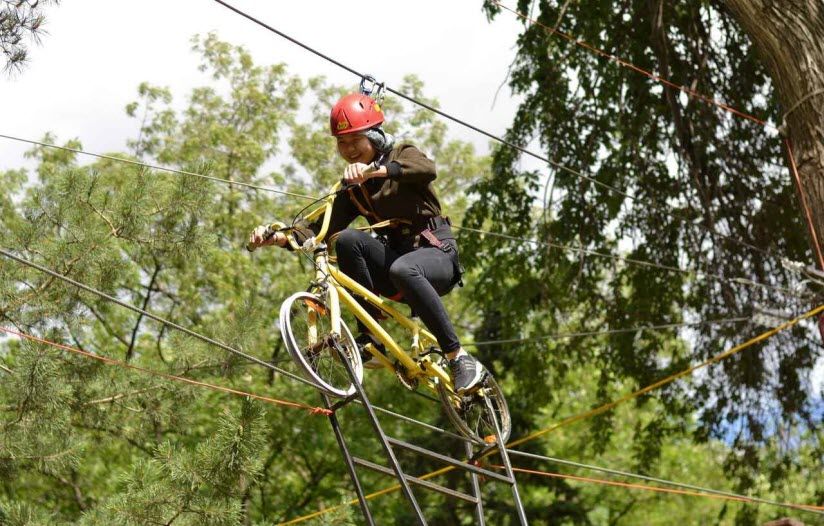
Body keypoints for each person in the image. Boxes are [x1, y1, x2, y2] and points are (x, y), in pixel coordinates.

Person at [248, 92, 485, 393]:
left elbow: (427, 169)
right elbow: (319, 230)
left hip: (436, 255)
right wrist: (277, 237)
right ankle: (370, 339)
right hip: (397, 269)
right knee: (347, 240)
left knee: (404, 269)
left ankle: (458, 356)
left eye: (355, 141)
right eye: (342, 143)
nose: (348, 150)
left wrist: (378, 170)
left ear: (374, 137)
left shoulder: (401, 154)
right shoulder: (354, 190)